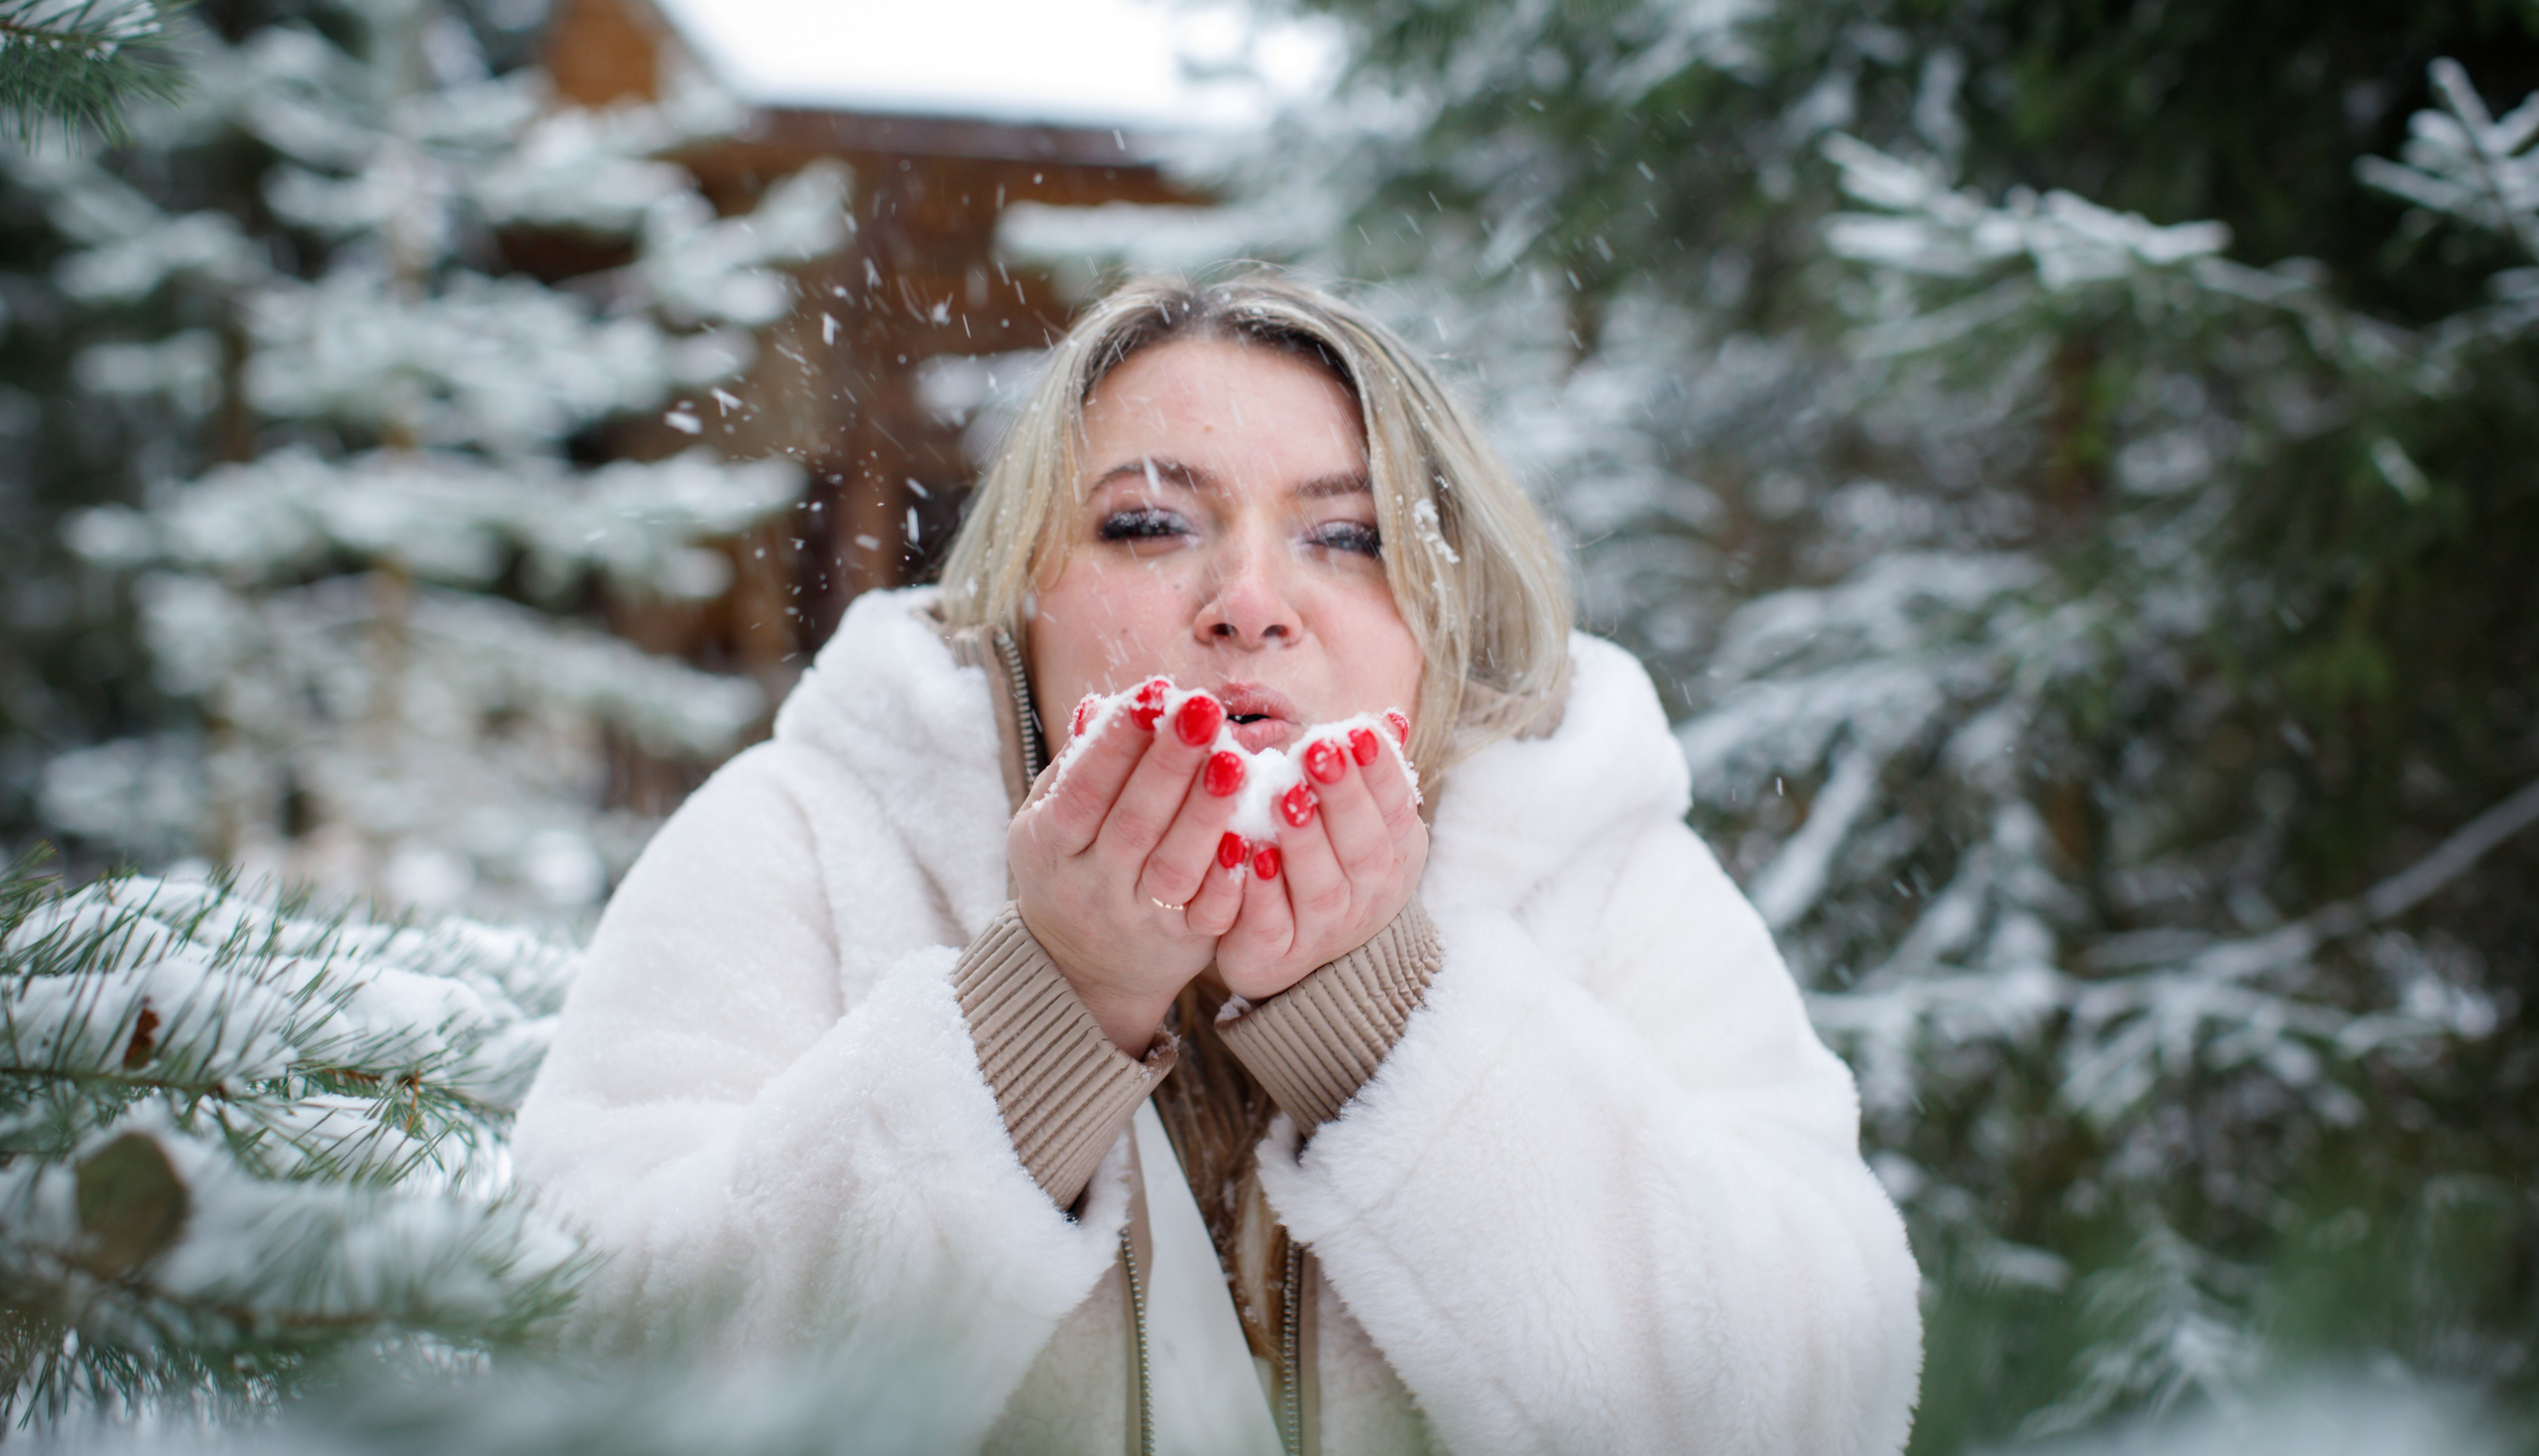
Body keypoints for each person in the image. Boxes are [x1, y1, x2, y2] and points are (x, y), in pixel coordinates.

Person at [511, 275, 1922, 1455]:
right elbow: (585, 1370)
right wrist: (1039, 1019)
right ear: (1020, 594)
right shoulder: (807, 838)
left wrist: (1381, 1022)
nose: (1247, 605)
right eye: (1147, 522)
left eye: (1348, 537)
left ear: (1443, 602)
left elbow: (1823, 1399)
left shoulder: (1594, 865)